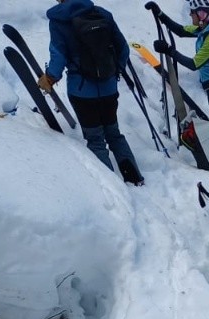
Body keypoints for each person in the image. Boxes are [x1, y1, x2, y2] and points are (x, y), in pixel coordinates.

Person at [39, 0, 144, 185]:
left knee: (95, 140)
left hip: (81, 92)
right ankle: (135, 178)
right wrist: (114, 72)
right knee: (114, 133)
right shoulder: (102, 14)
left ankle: (114, 187)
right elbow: (123, 48)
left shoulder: (59, 21)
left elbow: (59, 55)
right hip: (109, 89)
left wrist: (50, 78)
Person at [151, 0, 209, 132]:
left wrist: (169, 50)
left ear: (202, 14)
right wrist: (160, 14)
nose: (190, 15)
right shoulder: (204, 28)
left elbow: (193, 64)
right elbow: (180, 31)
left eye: (193, 12)